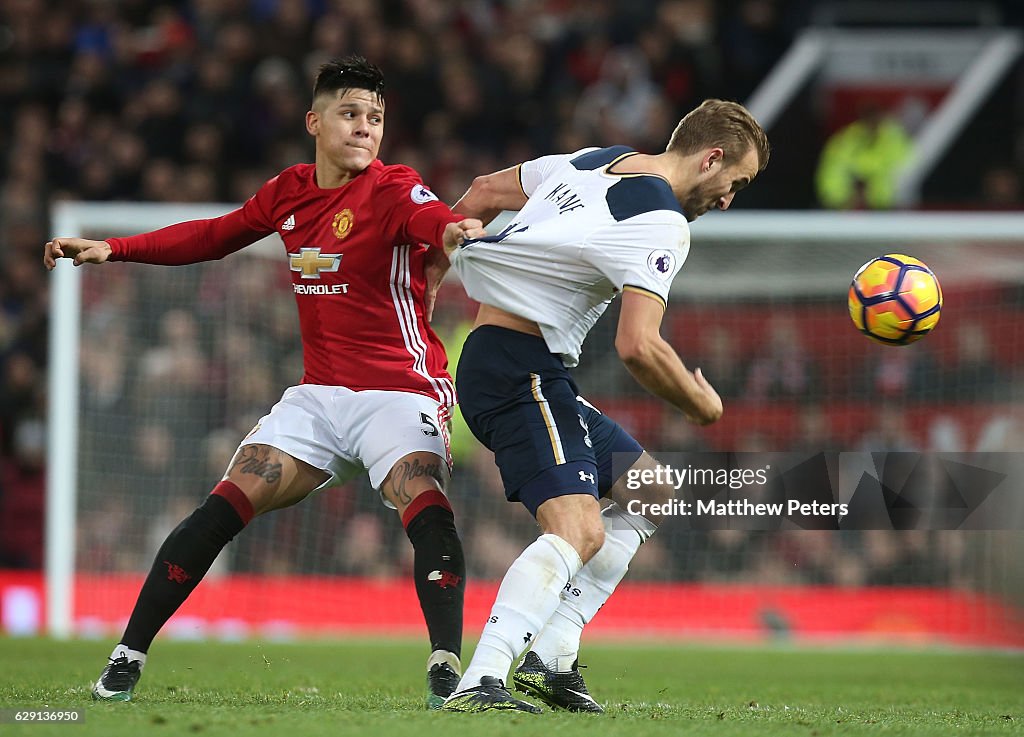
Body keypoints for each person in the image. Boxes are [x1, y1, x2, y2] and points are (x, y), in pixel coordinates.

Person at [43, 56, 485, 708]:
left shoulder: (395, 187)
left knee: (423, 501)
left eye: (376, 118)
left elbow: (432, 219)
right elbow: (216, 235)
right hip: (317, 396)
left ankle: (446, 666)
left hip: (400, 391)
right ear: (314, 120)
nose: (366, 128)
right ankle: (124, 658)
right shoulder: (289, 193)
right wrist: (118, 248)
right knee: (222, 503)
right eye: (351, 114)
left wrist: (456, 229)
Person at [439, 99, 769, 713]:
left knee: (649, 490)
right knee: (580, 529)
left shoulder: (597, 160)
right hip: (520, 369)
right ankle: (480, 680)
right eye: (735, 183)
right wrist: (702, 404)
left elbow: (483, 192)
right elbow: (639, 346)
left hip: (512, 362)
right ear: (711, 158)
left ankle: (552, 655)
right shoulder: (663, 220)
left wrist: (424, 284)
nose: (728, 199)